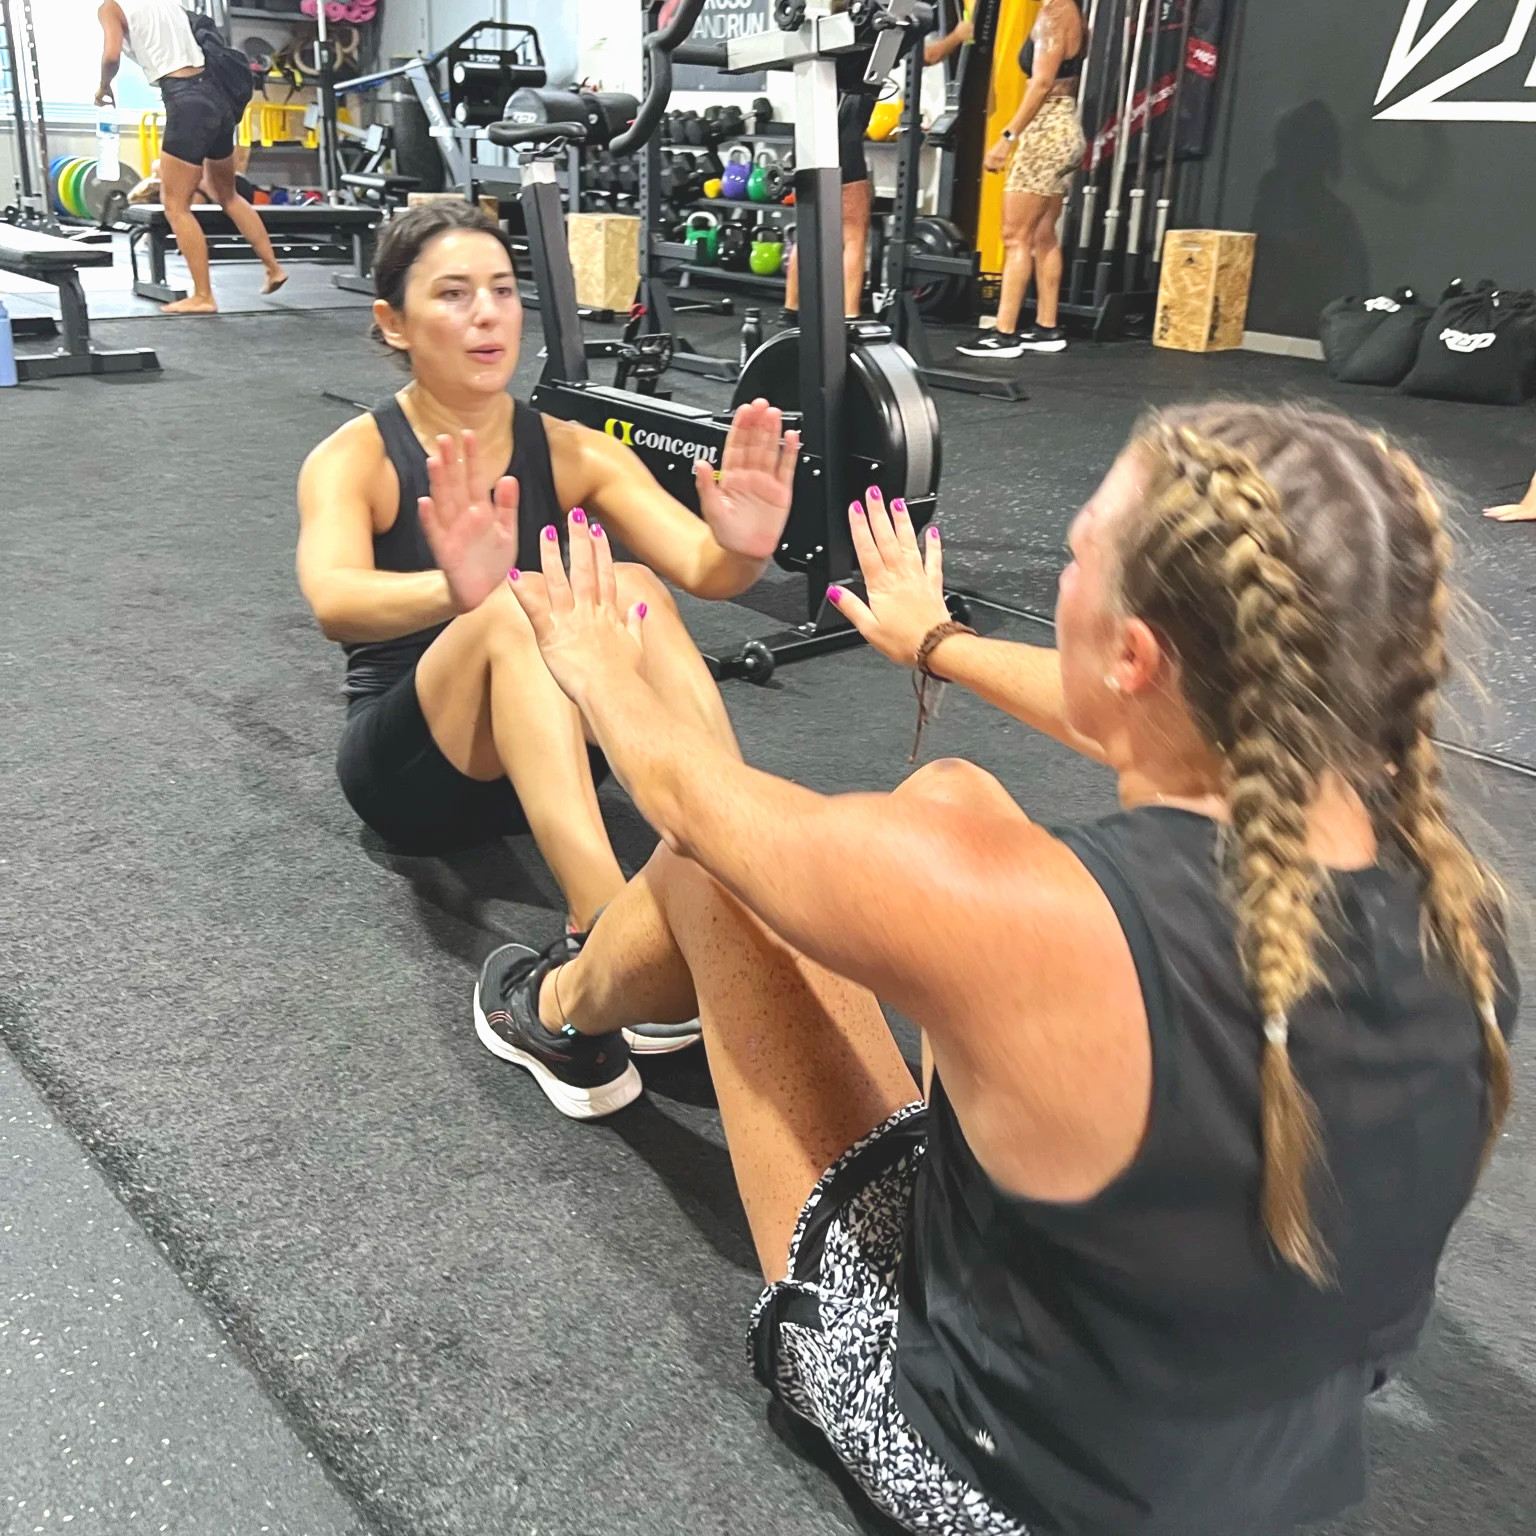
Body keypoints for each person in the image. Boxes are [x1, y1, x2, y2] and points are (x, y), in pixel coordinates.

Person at [477, 401, 1517, 1533]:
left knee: (706, 876)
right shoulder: (1458, 909)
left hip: (1000, 1479)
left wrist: (593, 665)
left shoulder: (1036, 923)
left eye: (1077, 555)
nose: (1064, 569)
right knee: (954, 791)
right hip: (1253, 1457)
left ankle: (559, 1011)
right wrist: (938, 643)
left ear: (1134, 653)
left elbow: (697, 803)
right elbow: (1163, 727)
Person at [296, 203, 798, 1101]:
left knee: (633, 586)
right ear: (393, 324)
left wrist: (746, 547)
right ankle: (603, 934)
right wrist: (454, 590)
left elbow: (699, 568)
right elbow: (334, 602)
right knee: (517, 608)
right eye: (452, 294)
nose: (487, 313)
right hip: (411, 769)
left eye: (500, 290)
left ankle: (733, 868)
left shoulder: (569, 450)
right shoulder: (355, 457)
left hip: (546, 753)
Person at [97, 0, 287, 313]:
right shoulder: (167, 4)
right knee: (227, 194)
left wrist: (103, 86)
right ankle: (273, 268)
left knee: (175, 205)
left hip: (186, 101)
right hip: (217, 97)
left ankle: (203, 296)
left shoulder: (110, 8)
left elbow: (110, 56)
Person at [958, 0, 1085, 357]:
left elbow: (1042, 82)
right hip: (1065, 127)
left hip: (1045, 131)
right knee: (1044, 236)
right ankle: (1047, 328)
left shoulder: (1053, 15)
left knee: (1015, 237)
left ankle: (1004, 333)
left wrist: (1006, 138)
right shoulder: (1072, 14)